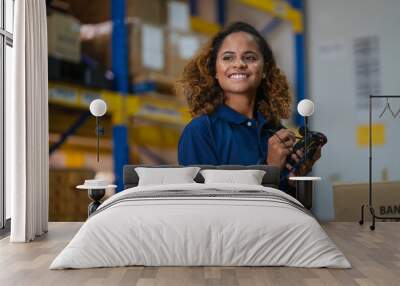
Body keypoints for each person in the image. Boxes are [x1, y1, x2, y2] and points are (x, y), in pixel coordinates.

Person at [175, 21, 321, 192]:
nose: (239, 64)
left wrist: (296, 176)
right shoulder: (200, 131)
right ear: (214, 70)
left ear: (265, 69)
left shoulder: (275, 133)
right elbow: (204, 204)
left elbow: (285, 204)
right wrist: (270, 169)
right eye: (228, 57)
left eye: (250, 57)